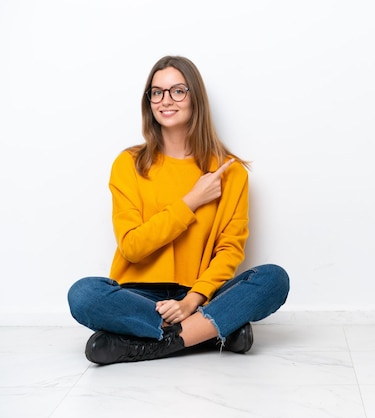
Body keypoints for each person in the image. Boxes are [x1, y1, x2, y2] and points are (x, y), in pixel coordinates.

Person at [67, 56, 289, 365]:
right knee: (82, 294)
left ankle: (152, 342)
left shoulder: (230, 172)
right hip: (138, 296)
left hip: (200, 295)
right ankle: (210, 332)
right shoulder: (128, 164)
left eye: (177, 91)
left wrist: (191, 301)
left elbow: (229, 249)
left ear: (195, 97)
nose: (165, 100)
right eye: (156, 92)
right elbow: (132, 247)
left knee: (274, 279)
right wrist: (191, 201)